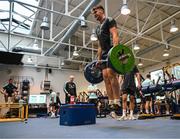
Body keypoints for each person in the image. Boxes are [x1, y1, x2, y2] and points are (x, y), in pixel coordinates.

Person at [92, 5, 120, 118]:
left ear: (101, 11)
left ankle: (117, 100)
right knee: (105, 76)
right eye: (93, 13)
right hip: (103, 53)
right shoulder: (97, 28)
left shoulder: (109, 20)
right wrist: (98, 59)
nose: (94, 14)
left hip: (111, 51)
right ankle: (111, 102)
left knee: (111, 73)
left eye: (95, 11)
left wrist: (115, 50)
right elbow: (99, 45)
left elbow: (115, 35)